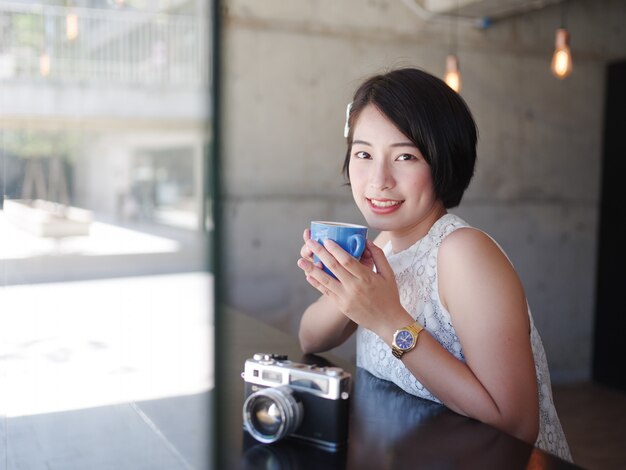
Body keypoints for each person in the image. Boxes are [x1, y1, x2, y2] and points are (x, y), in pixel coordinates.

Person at [296, 67, 572, 461]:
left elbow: (516, 425)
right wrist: (343, 288)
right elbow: (310, 339)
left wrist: (390, 322)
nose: (378, 180)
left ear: (443, 161)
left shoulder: (465, 253)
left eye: (405, 156)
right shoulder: (386, 244)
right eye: (363, 154)